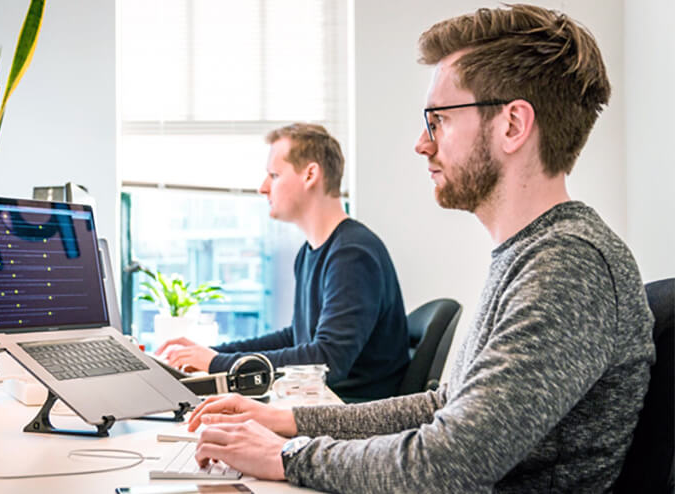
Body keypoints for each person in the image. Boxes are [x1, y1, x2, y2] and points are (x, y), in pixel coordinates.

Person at [182, 5, 656, 492]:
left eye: (438, 121)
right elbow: (444, 405)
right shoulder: (532, 254)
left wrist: (286, 455)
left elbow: (448, 461)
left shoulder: (568, 266)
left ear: (512, 125)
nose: (421, 144)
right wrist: (289, 421)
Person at [156, 123, 411, 401]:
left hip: (350, 414)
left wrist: (217, 364)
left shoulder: (352, 254)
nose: (262, 188)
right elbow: (297, 337)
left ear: (310, 174)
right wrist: (215, 354)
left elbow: (327, 361)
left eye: (274, 175)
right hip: (321, 404)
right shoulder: (311, 252)